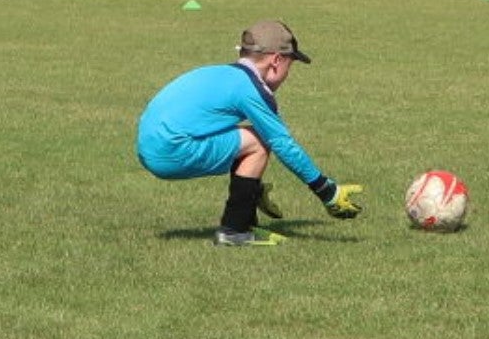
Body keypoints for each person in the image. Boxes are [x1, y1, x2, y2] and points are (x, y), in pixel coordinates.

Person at [135, 18, 363, 247]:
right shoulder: (250, 89)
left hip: (147, 146)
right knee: (260, 141)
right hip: (169, 152)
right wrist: (326, 191)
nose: (288, 74)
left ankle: (248, 210)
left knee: (250, 135)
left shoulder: (223, 73)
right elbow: (283, 144)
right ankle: (234, 231)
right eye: (290, 65)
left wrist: (253, 189)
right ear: (276, 60)